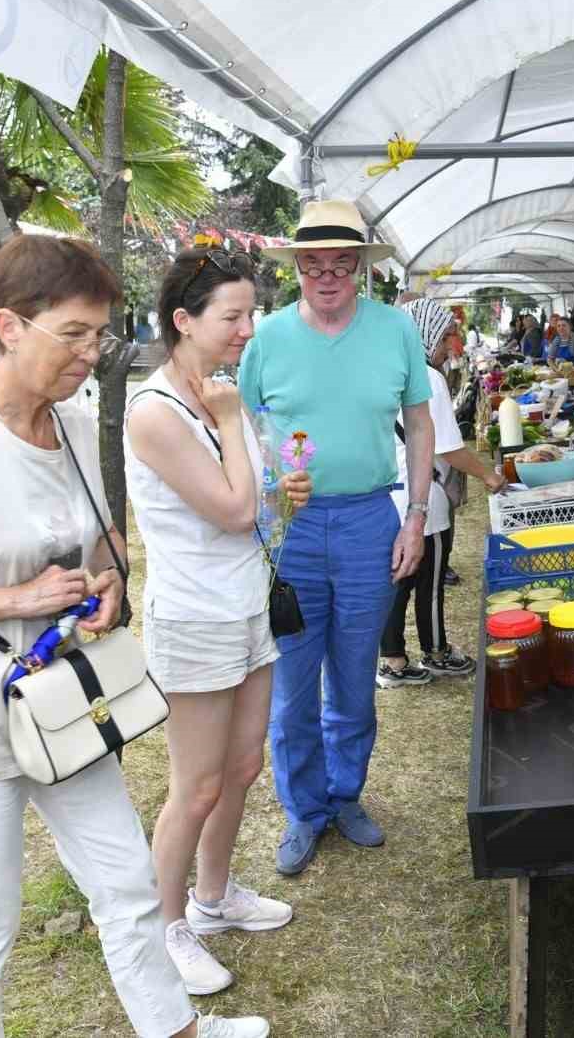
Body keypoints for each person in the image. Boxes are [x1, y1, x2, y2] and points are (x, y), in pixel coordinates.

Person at [0, 233, 269, 1038]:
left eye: (99, 334)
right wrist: (18, 594)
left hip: (65, 705)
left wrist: (106, 584)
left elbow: (103, 541)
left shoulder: (71, 421)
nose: (89, 353)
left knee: (125, 881)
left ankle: (174, 1028)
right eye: (72, 334)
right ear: (9, 326)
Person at [126, 247, 312, 998]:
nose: (246, 329)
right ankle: (165, 928)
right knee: (195, 786)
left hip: (247, 605)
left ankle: (213, 897)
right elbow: (235, 508)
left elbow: (259, 502)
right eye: (232, 316)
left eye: (249, 314)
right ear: (183, 320)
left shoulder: (221, 395)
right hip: (196, 618)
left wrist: (283, 487)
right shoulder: (156, 411)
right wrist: (234, 421)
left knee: (241, 768)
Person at [241, 199, 434, 877]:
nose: (327, 277)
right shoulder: (265, 338)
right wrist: (263, 501)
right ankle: (304, 809)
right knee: (292, 684)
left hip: (367, 521)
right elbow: (245, 426)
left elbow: (419, 420)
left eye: (341, 265)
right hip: (291, 528)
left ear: (361, 270)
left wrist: (415, 514)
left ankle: (345, 794)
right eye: (313, 265)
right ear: (296, 269)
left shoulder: (395, 331)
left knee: (354, 676)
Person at [379, 298, 508, 686]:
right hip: (423, 496)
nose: (450, 344)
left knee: (397, 583)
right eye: (447, 334)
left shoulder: (385, 368)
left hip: (389, 493)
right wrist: (489, 475)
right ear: (426, 333)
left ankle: (392, 661)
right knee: (429, 581)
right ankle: (436, 652)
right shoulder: (426, 377)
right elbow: (448, 448)